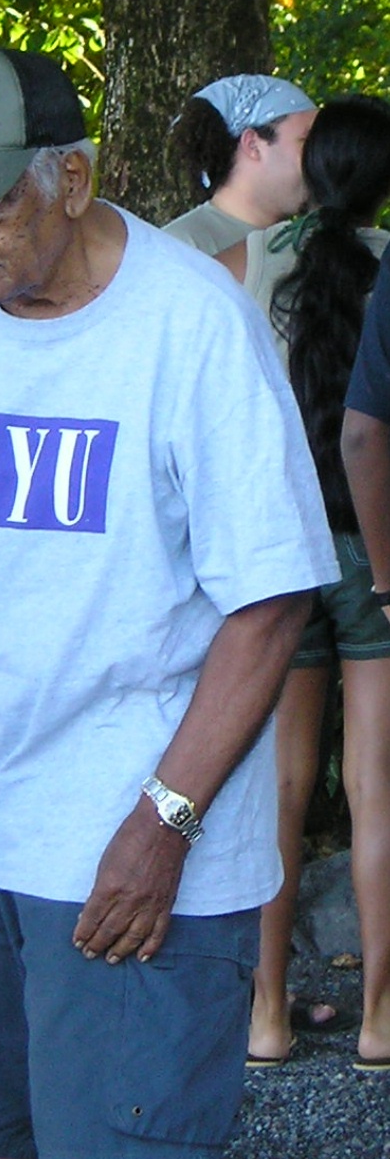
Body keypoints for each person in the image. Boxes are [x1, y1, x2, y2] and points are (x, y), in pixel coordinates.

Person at [0, 41, 336, 1159]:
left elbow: (267, 603)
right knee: (8, 1143)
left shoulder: (189, 323)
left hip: (139, 822)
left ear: (70, 177)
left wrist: (162, 819)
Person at [217, 96, 390, 1067]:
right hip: (373, 547)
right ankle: (377, 1020)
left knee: (278, 792)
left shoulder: (250, 260)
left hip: (279, 555)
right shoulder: (389, 261)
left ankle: (267, 1015)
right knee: (375, 791)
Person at [164, 73, 316, 253]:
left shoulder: (307, 244)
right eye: (306, 140)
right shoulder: (182, 247)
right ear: (253, 145)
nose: (320, 154)